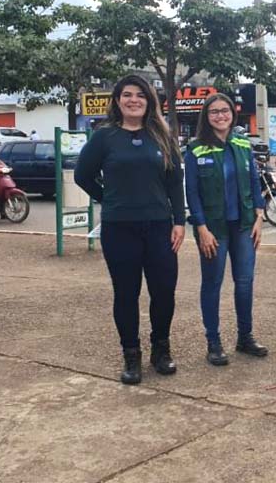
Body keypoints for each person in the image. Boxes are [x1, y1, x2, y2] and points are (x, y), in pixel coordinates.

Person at [75, 74, 186, 385]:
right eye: (127, 95)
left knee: (164, 292)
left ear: (149, 101)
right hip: (119, 228)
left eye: (140, 94)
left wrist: (180, 221)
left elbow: (174, 183)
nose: (134, 99)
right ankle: (131, 355)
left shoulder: (162, 137)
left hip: (160, 228)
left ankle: (161, 350)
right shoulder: (104, 137)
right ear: (118, 100)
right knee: (126, 294)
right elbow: (82, 177)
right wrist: (108, 199)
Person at [184, 93, 268, 366]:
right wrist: (201, 227)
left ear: (232, 113)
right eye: (214, 112)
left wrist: (259, 214)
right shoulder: (196, 148)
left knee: (244, 282)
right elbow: (192, 192)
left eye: (225, 111)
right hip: (213, 228)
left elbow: (254, 180)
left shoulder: (242, 143)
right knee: (212, 283)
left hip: (243, 225)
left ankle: (245, 337)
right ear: (206, 117)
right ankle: (214, 342)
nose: (220, 116)